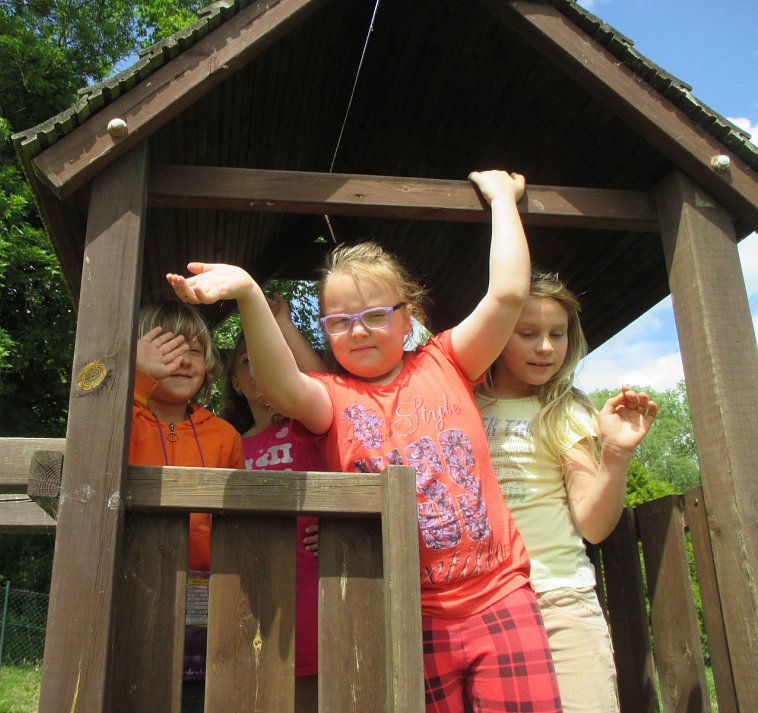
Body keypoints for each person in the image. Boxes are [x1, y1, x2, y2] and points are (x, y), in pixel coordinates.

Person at [168, 170, 564, 712]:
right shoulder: (330, 399)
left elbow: (509, 294)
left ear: (407, 319)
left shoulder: (448, 361)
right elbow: (282, 384)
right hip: (403, 609)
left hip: (499, 595)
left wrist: (501, 198)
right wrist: (249, 294)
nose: (358, 331)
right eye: (340, 321)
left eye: (376, 315)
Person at [474, 271, 658, 713]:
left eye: (557, 334)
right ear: (496, 331)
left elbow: (593, 526)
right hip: (480, 604)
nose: (545, 347)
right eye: (527, 333)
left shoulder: (566, 410)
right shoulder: (463, 402)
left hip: (559, 599)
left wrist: (616, 454)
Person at [132, 301, 245, 713]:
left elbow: (239, 523)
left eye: (194, 351)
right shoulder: (120, 418)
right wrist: (135, 375)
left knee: (198, 696)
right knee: (130, 681)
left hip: (207, 594)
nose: (182, 360)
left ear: (209, 365)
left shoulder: (225, 436)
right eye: (166, 347)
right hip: (131, 579)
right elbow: (92, 415)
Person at [220, 297, 327, 712]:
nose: (260, 365)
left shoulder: (309, 424)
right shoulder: (230, 444)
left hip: (317, 581)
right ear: (234, 381)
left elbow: (323, 381)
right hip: (256, 590)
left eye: (270, 354)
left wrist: (282, 324)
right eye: (248, 360)